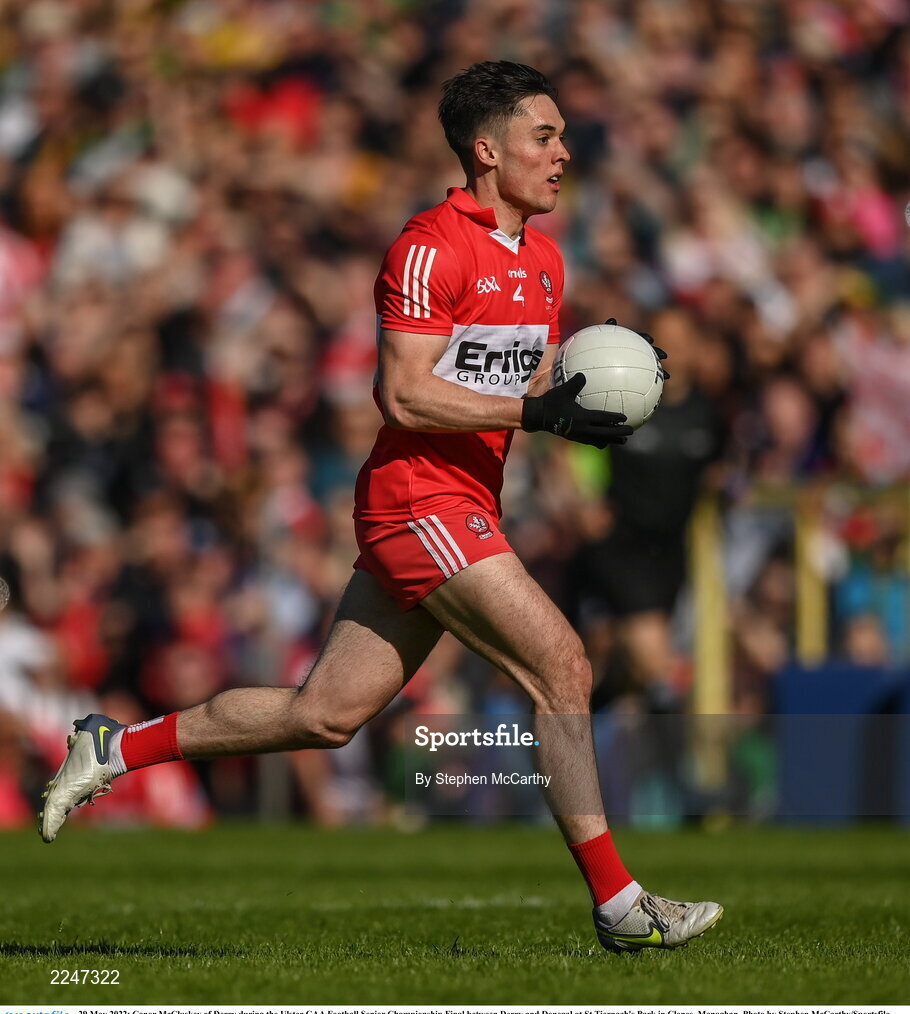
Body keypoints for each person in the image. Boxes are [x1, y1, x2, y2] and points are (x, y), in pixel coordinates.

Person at [39, 61, 722, 954]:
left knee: (324, 714)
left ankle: (113, 749)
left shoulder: (546, 260)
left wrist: (614, 375)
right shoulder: (429, 244)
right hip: (416, 501)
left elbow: (526, 380)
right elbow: (402, 395)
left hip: (467, 503)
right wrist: (534, 409)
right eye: (543, 137)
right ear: (488, 150)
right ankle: (620, 905)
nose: (563, 155)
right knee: (562, 665)